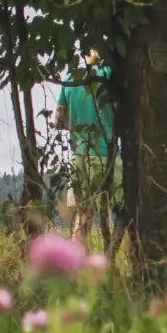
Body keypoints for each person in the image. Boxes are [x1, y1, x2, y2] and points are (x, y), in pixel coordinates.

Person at [55, 51, 115, 246]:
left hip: (79, 154)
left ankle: (75, 265)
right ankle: (113, 262)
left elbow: (58, 121)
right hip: (106, 153)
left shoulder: (70, 79)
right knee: (119, 211)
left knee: (83, 215)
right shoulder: (108, 75)